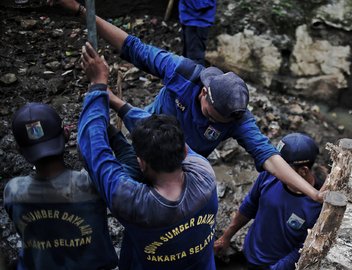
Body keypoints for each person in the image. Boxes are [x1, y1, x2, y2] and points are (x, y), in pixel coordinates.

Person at [49, 0, 324, 203]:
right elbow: (133, 47)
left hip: (179, 166)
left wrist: (311, 191)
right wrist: (82, 13)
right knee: (104, 168)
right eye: (209, 112)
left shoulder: (238, 120)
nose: (209, 118)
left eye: (218, 121)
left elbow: (268, 156)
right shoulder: (183, 72)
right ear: (204, 91)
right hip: (144, 134)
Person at [77, 42, 218, 269]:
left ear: (141, 163)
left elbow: (94, 151)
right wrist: (118, 104)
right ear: (184, 151)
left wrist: (97, 88)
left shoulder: (134, 204)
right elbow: (151, 133)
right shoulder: (204, 173)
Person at [3, 102, 118, 270]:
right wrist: (111, 134)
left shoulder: (12, 191)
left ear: (19, 150)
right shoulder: (90, 184)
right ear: (66, 134)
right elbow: (127, 172)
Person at [214, 133, 324, 270]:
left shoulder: (318, 205)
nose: (276, 169)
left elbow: (303, 247)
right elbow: (250, 205)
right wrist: (227, 236)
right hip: (250, 253)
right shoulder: (269, 175)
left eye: (282, 166)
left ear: (303, 170)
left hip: (276, 265)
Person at [178, 0, 216, 65]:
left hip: (197, 22)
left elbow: (201, 4)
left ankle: (197, 74)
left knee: (195, 59)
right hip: (189, 20)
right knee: (188, 57)